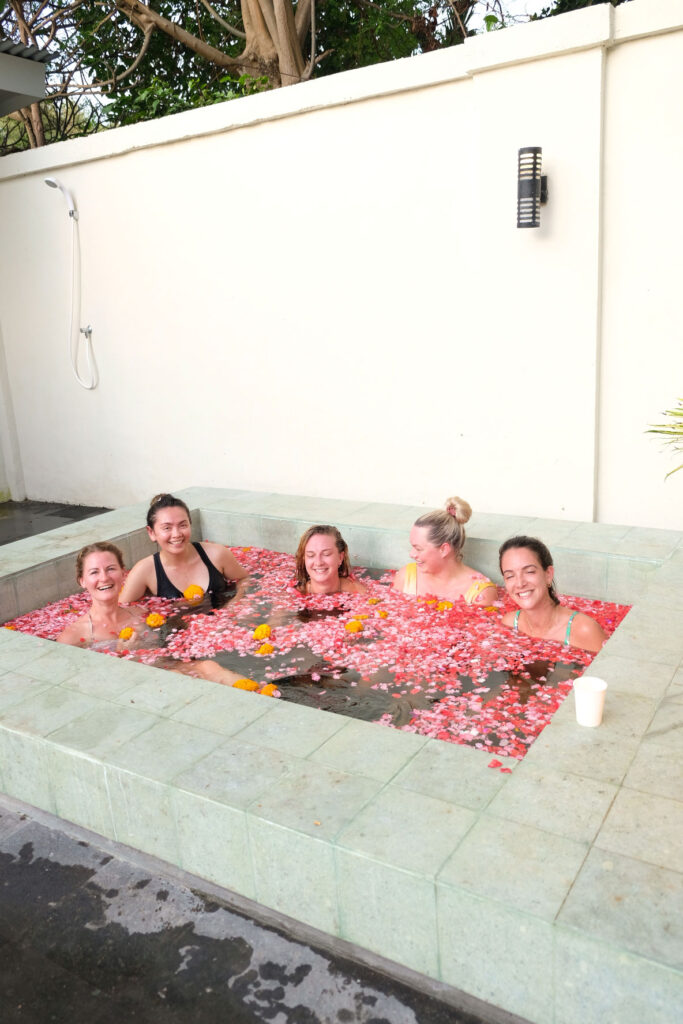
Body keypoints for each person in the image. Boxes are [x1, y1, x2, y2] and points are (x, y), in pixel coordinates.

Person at [57, 542, 246, 687]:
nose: (104, 578)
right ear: (82, 580)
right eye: (94, 572)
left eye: (111, 569)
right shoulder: (72, 637)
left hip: (163, 668)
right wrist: (122, 654)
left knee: (208, 667)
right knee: (177, 677)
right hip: (131, 685)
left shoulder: (140, 613)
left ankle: (262, 698)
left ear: (123, 573)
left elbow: (165, 649)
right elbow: (80, 682)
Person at [119, 493, 248, 604]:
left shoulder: (217, 554)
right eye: (167, 528)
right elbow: (121, 610)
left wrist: (236, 602)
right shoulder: (144, 571)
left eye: (182, 525)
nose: (176, 534)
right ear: (151, 532)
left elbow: (245, 579)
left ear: (190, 524)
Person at [499, 535, 606, 654]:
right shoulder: (509, 624)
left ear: (548, 575)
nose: (520, 583)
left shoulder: (585, 630)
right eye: (510, 576)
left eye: (529, 571)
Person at [392, 496, 496, 604]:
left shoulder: (480, 593)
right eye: (412, 547)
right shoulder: (405, 577)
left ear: (444, 550)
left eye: (418, 549)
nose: (411, 554)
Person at [295, 526, 367, 595]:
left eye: (326, 554)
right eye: (311, 555)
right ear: (304, 559)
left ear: (340, 557)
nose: (318, 562)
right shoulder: (294, 594)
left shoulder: (360, 593)